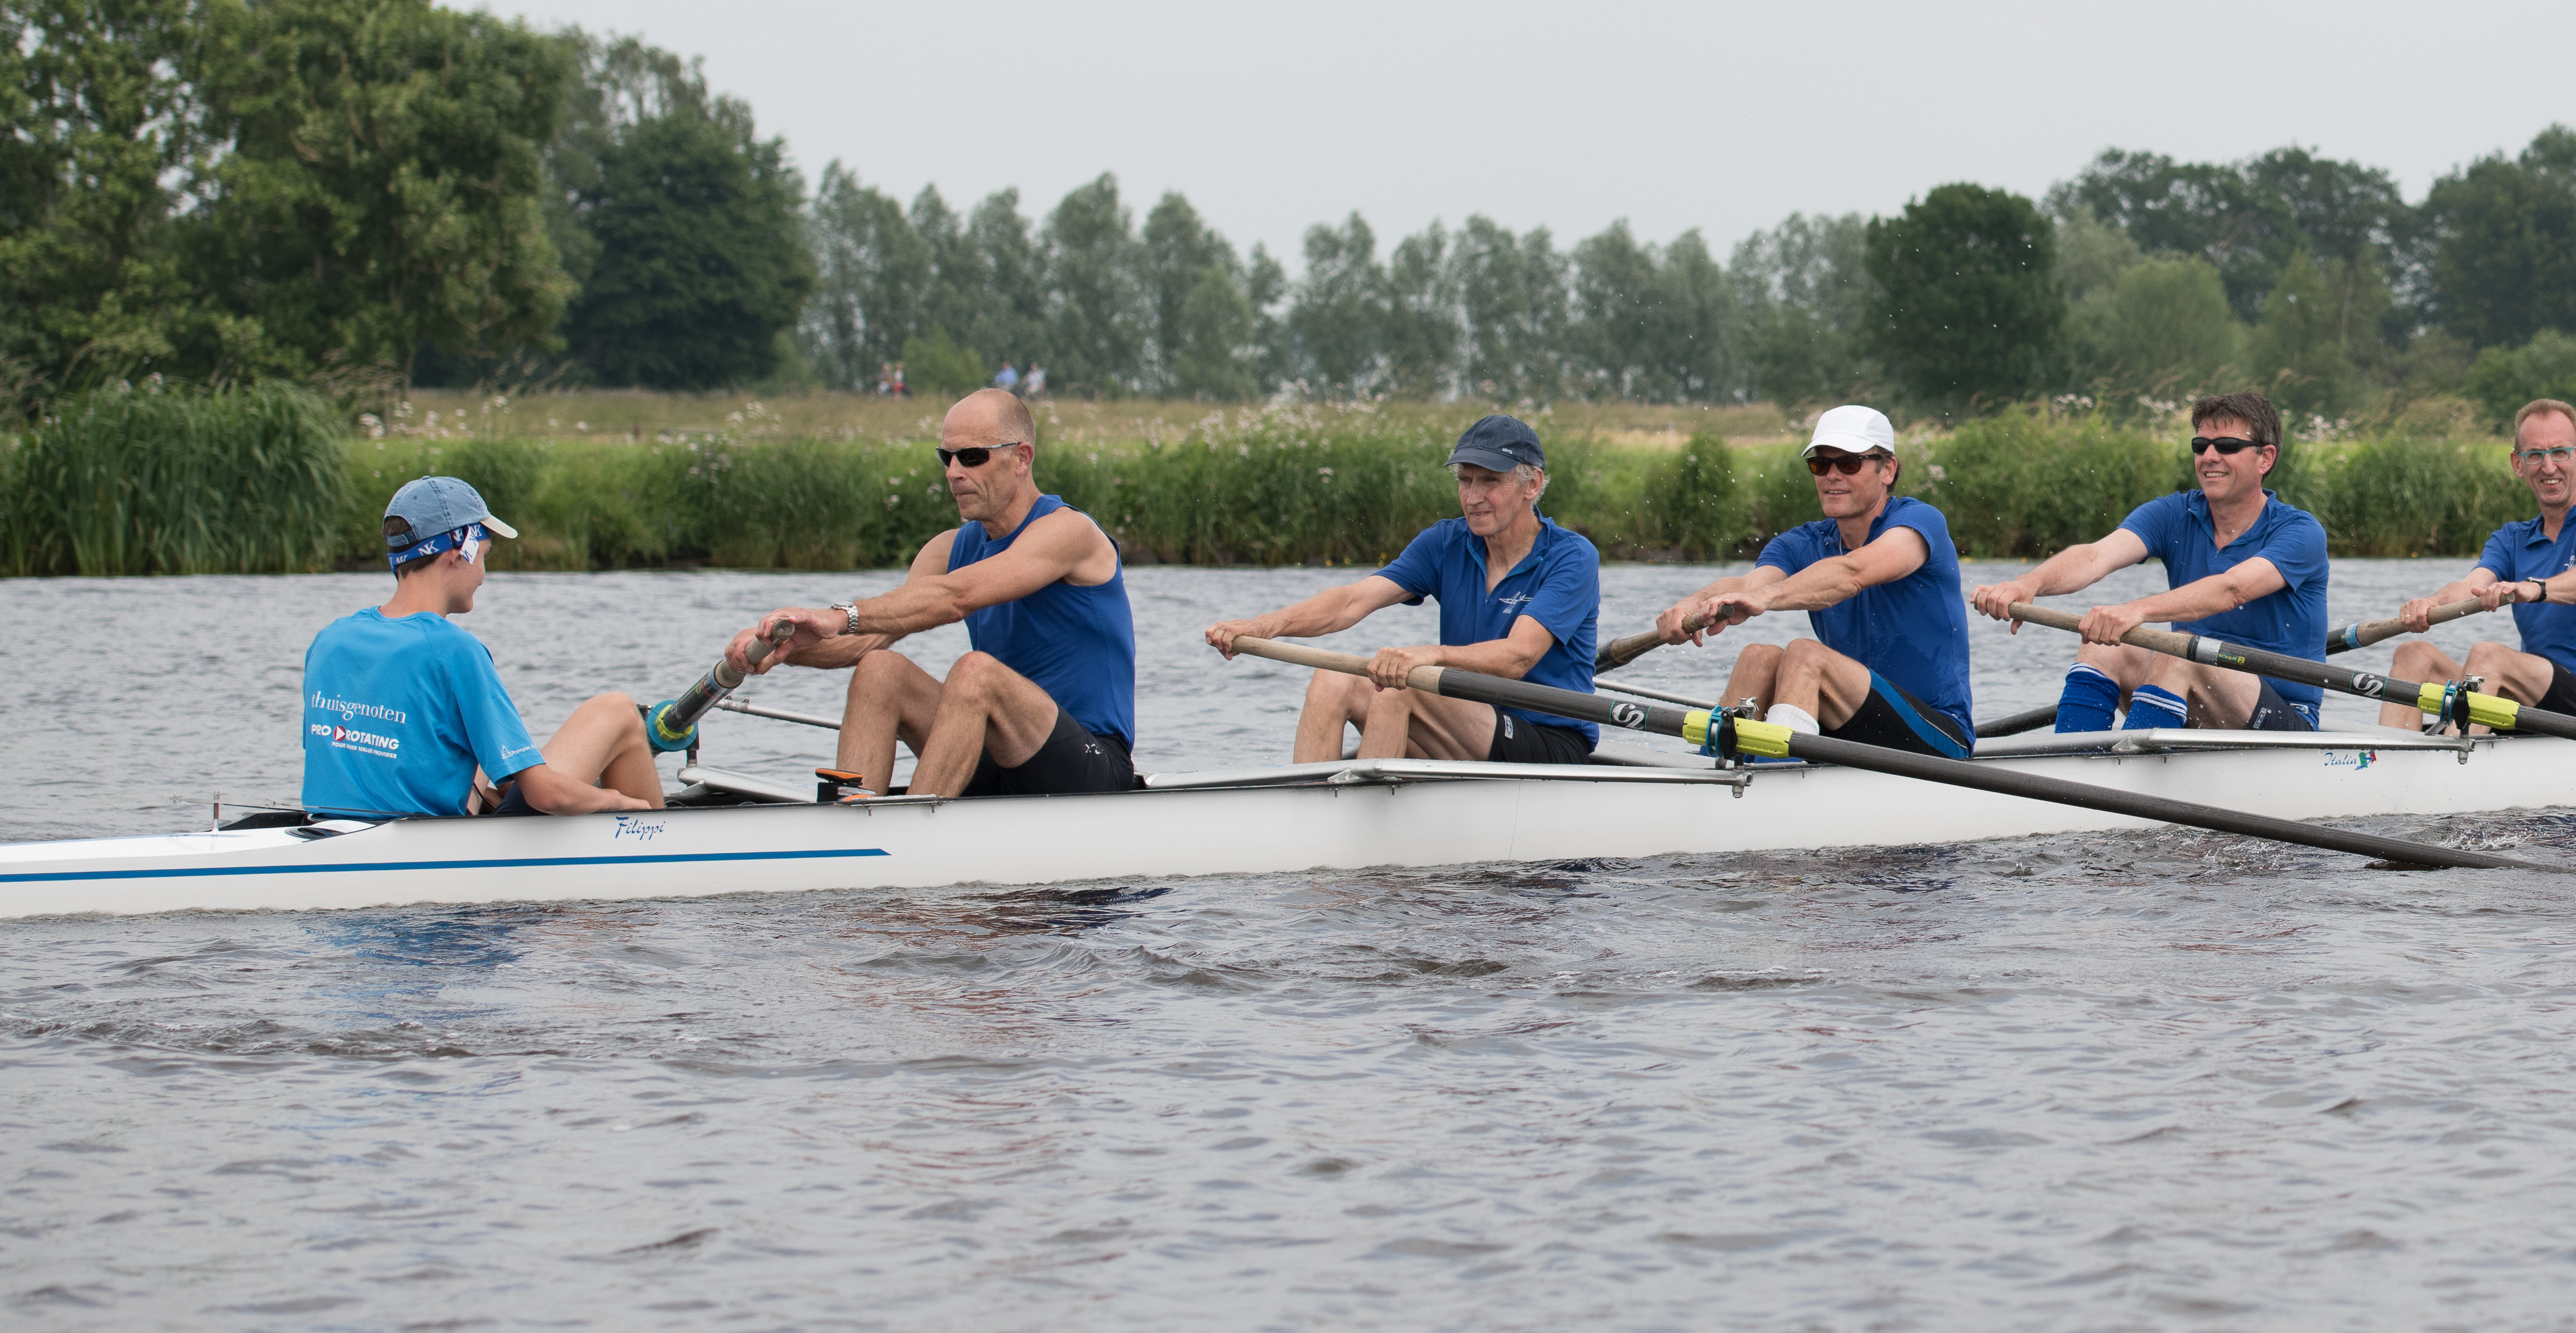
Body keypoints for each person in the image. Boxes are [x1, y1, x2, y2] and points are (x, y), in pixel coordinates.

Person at [723, 386, 1143, 797]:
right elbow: (864, 639)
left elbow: (955, 598)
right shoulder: (948, 550)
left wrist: (837, 615)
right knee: (879, 669)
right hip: (999, 757)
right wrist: (783, 645)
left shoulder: (1069, 532)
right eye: (948, 457)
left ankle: (907, 840)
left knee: (975, 673)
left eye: (973, 457)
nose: (954, 472)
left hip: (1091, 766)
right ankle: (851, 825)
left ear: (1021, 457)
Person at [1200, 415, 1603, 764]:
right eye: (1465, 481)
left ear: (1531, 484)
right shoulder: (1446, 543)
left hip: (1548, 739)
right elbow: (1351, 601)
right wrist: (1265, 625)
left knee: (1404, 683)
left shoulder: (1571, 557)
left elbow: (1518, 657)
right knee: (1332, 679)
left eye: (1490, 482)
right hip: (1461, 721)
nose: (1473, 498)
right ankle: (1306, 812)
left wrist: (1429, 655)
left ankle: (1367, 829)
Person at [298, 476, 663, 818]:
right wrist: (617, 801)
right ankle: (656, 839)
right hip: (435, 846)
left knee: (479, 750)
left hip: (341, 824)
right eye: (484, 556)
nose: (484, 577)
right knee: (618, 711)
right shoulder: (455, 649)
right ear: (459, 554)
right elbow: (546, 796)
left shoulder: (330, 639)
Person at [1970, 390, 2332, 735]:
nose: (2209, 457)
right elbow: (2096, 555)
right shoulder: (2175, 514)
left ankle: (2128, 772)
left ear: (2265, 458)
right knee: (2103, 644)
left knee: (2182, 651)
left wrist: (2135, 611)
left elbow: (2231, 589)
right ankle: (2075, 761)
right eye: (2200, 446)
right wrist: (2027, 584)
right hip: (2193, 693)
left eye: (2227, 447)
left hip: (2283, 715)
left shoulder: (2300, 533)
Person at [1648, 405, 1974, 755]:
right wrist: (1688, 607)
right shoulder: (1802, 543)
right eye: (1821, 464)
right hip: (1849, 725)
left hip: (1937, 732)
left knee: (1806, 655)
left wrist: (1768, 598)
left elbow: (1852, 573)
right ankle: (1715, 773)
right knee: (1757, 656)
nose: (1832, 475)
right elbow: (1747, 585)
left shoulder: (1919, 523)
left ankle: (1781, 777)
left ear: (1888, 469)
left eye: (1849, 463)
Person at [2367, 397, 2576, 731]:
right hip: (2533, 700)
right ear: (2518, 464)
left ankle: (2453, 763)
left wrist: (2530, 588)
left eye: (2560, 452)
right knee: (2413, 655)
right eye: (2535, 455)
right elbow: (2470, 587)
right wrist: (2433, 603)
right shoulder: (2511, 539)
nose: (2549, 466)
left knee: (2489, 656)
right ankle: (2385, 766)